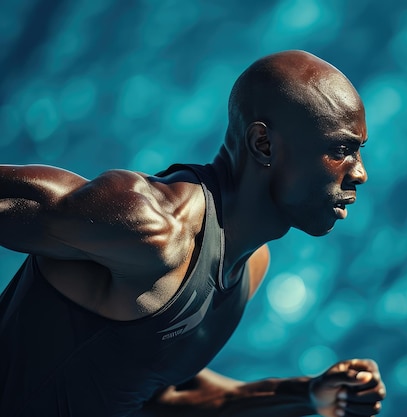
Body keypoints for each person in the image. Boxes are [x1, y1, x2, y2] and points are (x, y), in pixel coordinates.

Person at [0, 50, 385, 416]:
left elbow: (159, 397)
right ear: (263, 144)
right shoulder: (152, 228)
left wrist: (310, 396)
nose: (360, 173)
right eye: (341, 150)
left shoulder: (249, 265)